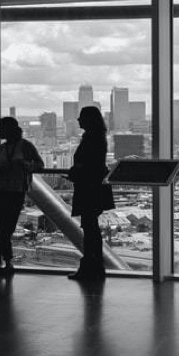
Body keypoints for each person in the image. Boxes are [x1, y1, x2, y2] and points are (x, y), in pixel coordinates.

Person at [0, 117, 44, 274]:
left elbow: (39, 164)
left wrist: (24, 165)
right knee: (4, 229)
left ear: (9, 130)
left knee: (8, 228)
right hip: (2, 191)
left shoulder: (25, 146)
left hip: (13, 191)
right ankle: (7, 262)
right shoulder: (0, 150)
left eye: (1, 128)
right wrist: (6, 168)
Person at [66, 106, 115, 280]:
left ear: (88, 120)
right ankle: (95, 267)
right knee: (91, 229)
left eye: (81, 117)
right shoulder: (98, 137)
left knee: (90, 229)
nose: (78, 120)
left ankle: (90, 267)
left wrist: (76, 171)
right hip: (94, 187)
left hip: (89, 188)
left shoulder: (91, 138)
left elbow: (88, 163)